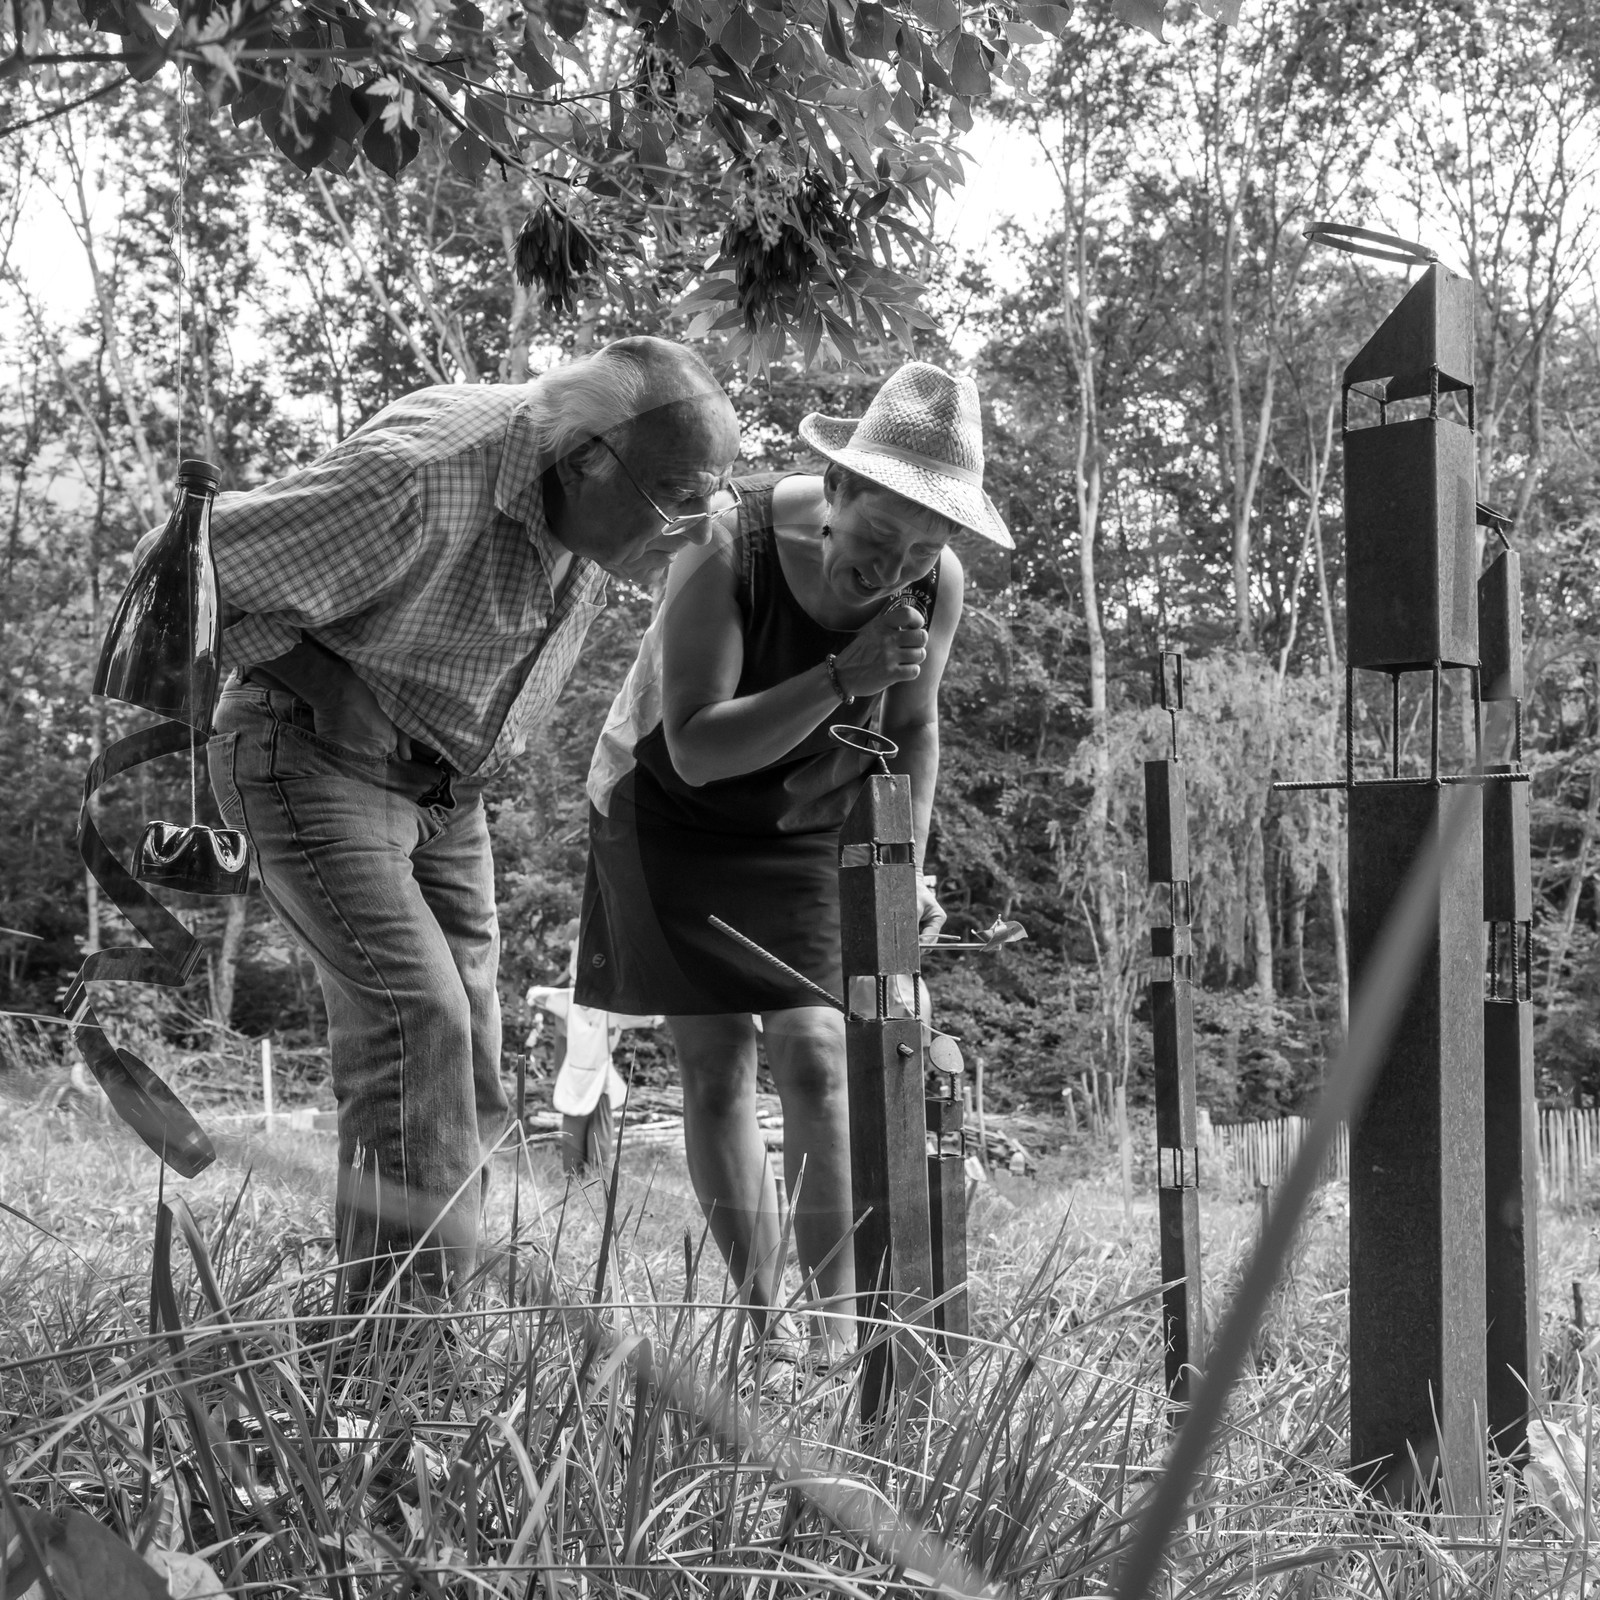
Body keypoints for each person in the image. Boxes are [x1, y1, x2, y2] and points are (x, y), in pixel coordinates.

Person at [204, 337, 740, 1302]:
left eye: (713, 497)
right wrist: (327, 683)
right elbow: (192, 563)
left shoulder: (595, 499)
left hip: (447, 792)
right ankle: (390, 1357)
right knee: (418, 1022)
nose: (696, 527)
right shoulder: (427, 474)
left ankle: (428, 1314)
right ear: (587, 459)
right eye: (677, 498)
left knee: (470, 1055)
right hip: (311, 754)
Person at [575, 362, 1011, 1361]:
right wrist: (840, 675)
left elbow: (913, 726)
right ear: (837, 491)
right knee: (716, 1061)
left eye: (922, 550)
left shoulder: (936, 580)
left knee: (818, 1051)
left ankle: (836, 1332)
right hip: (669, 809)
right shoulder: (725, 539)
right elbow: (696, 745)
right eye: (876, 536)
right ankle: (765, 1322)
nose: (894, 568)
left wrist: (905, 866)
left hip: (807, 820)